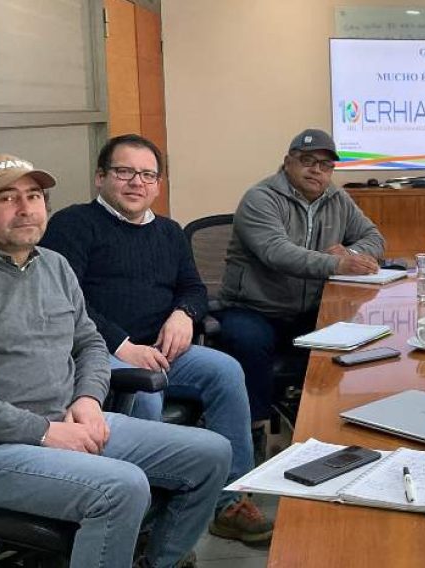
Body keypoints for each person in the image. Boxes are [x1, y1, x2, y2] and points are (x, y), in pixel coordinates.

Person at [0, 154, 230, 567]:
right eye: (6, 197)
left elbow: (90, 343)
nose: (26, 207)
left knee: (212, 455)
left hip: (67, 421)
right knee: (123, 488)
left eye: (34, 195)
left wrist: (87, 398)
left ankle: (158, 562)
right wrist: (44, 432)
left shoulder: (54, 266)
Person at [40, 135, 273, 544]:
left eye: (148, 174)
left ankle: (228, 501)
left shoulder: (168, 231)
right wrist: (122, 345)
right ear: (100, 178)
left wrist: (184, 314)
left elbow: (194, 289)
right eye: (124, 172)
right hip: (100, 352)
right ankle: (144, 516)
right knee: (144, 389)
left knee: (225, 371)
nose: (136, 182)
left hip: (163, 349)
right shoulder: (72, 225)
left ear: (158, 184)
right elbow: (66, 300)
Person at [216, 128, 385, 425]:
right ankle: (255, 429)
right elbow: (277, 252)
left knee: (358, 338)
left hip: (309, 310)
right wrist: (336, 265)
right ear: (287, 162)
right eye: (307, 160)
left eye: (325, 165)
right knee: (248, 341)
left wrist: (352, 253)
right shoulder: (261, 198)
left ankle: (331, 423)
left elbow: (374, 237)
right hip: (255, 309)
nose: (316, 170)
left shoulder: (337, 198)